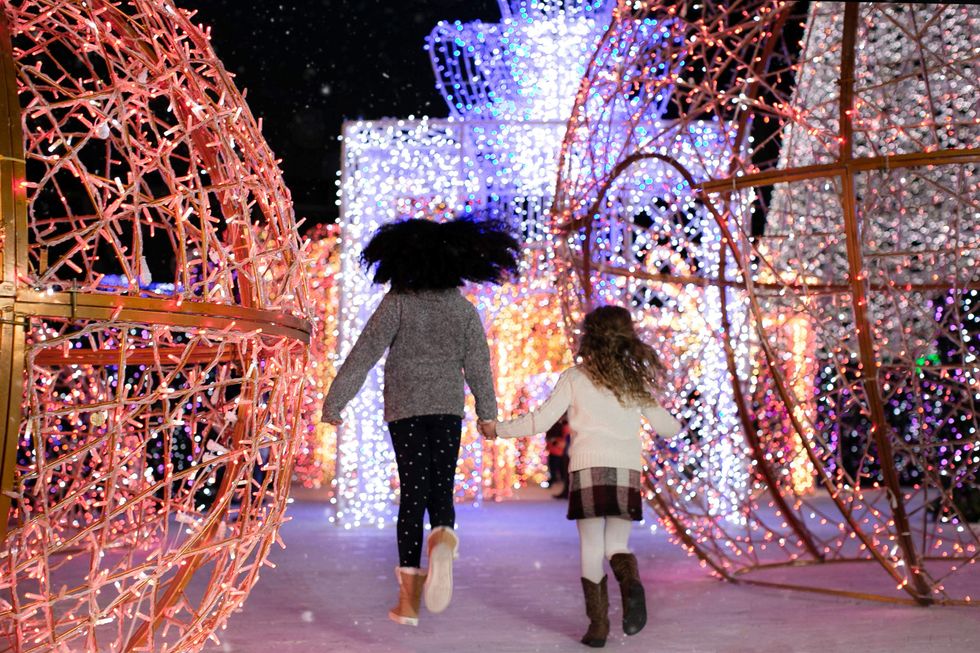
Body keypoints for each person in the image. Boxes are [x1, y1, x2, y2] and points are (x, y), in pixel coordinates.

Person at [322, 214, 519, 626]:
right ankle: (444, 535)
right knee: (440, 487)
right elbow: (479, 367)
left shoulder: (397, 303)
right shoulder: (463, 311)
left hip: (405, 408)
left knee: (413, 492)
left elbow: (364, 354)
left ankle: (408, 600)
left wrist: (335, 402)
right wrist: (488, 414)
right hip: (447, 407)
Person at [480, 306, 681, 648]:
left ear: (590, 336)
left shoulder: (575, 377)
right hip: (625, 469)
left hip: (588, 468)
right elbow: (669, 427)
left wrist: (497, 429)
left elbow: (540, 421)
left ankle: (598, 627)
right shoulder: (633, 381)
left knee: (591, 547)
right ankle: (631, 585)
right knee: (617, 545)